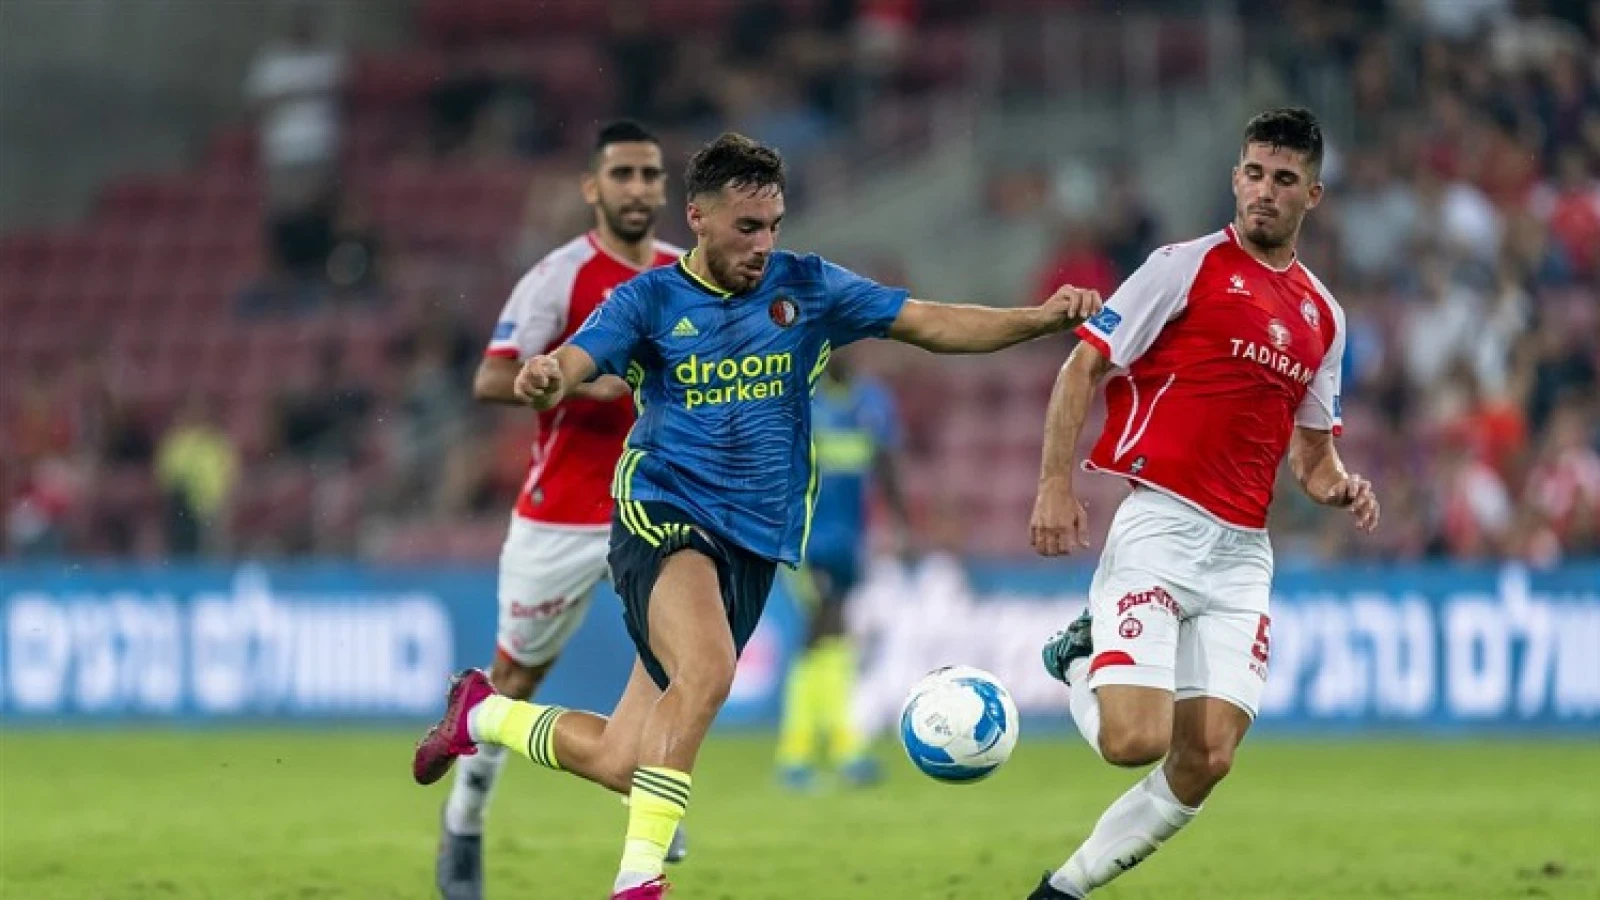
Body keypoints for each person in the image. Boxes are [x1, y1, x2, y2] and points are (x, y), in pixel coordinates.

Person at [412, 131, 1104, 900]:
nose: (764, 243)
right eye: (747, 227)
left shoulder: (805, 287)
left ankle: (481, 713)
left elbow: (930, 321)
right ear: (698, 218)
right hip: (663, 513)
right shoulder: (649, 298)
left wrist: (1038, 320)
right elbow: (580, 357)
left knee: (623, 758)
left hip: (754, 540)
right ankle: (637, 882)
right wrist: (549, 374)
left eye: (773, 224)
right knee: (707, 670)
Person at [1024, 108, 1381, 900]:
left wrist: (1340, 486)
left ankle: (1064, 892)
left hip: (1243, 553)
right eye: (1254, 173)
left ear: (1312, 195)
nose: (1264, 191)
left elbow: (1312, 453)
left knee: (1208, 757)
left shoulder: (1325, 316)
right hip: (1162, 525)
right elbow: (1082, 369)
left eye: (1283, 179)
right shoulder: (1181, 267)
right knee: (1133, 742)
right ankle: (1080, 653)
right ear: (1235, 178)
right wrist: (1054, 484)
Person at [434, 120, 684, 900]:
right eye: (623, 176)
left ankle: (653, 793)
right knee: (515, 675)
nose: (638, 189)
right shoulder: (560, 275)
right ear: (593, 188)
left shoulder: (689, 271)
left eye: (649, 176)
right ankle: (465, 819)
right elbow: (488, 378)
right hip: (563, 513)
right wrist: (582, 381)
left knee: (689, 661)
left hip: (658, 505)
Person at [775, 346, 911, 790]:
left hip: (851, 541)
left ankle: (831, 748)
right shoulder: (801, 401)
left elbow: (886, 465)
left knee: (833, 637)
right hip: (805, 540)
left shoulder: (873, 401)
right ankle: (805, 753)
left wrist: (901, 525)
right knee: (819, 630)